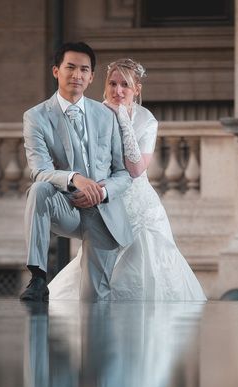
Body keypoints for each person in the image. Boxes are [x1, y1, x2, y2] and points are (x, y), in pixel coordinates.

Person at [48, 58, 206, 301]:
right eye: (112, 83)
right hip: (105, 198)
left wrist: (123, 121)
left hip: (139, 201)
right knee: (97, 265)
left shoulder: (146, 120)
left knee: (149, 260)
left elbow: (136, 169)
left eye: (125, 85)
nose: (118, 90)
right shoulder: (90, 112)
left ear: (137, 89)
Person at [19, 42, 133, 302]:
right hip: (65, 206)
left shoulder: (106, 116)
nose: (77, 75)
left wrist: (102, 192)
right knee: (38, 189)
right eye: (70, 67)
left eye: (84, 70)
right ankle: (37, 276)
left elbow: (123, 174)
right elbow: (39, 171)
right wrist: (74, 179)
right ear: (56, 71)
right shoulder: (36, 117)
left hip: (101, 211)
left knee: (95, 297)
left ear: (92, 77)